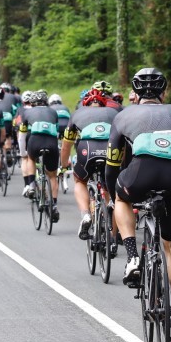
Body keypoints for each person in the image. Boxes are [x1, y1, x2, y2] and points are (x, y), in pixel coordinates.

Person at [106, 67, 171, 342]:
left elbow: (111, 167)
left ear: (135, 94)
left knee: (121, 198)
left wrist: (115, 197)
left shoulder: (123, 116)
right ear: (164, 93)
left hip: (141, 172)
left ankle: (132, 257)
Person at [59, 88, 120, 239]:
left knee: (80, 181)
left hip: (87, 148)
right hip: (110, 149)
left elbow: (67, 145)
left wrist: (64, 165)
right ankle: (112, 237)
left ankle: (86, 214)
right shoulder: (114, 113)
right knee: (112, 190)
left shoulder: (77, 114)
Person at [18, 90, 61, 221]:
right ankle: (53, 204)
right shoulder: (53, 112)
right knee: (52, 175)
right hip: (52, 143)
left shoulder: (27, 112)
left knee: (30, 158)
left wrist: (23, 153)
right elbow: (57, 133)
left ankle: (31, 185)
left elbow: (22, 137)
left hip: (35, 141)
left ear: (33, 103)